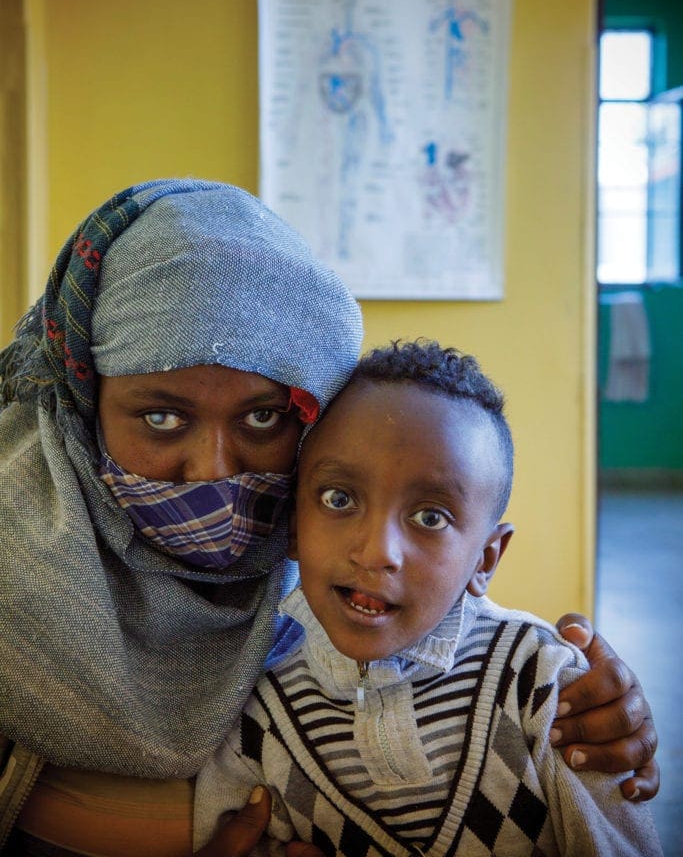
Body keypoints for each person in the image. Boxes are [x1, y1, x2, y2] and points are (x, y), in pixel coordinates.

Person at [0, 181, 657, 857]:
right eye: (161, 416)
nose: (213, 469)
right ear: (83, 400)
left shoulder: (315, 586)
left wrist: (589, 710)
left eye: (263, 417)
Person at [195, 340, 663, 857]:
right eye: (338, 498)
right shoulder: (255, 714)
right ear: (292, 527)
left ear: (484, 560)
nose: (376, 552)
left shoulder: (551, 689)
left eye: (430, 517)